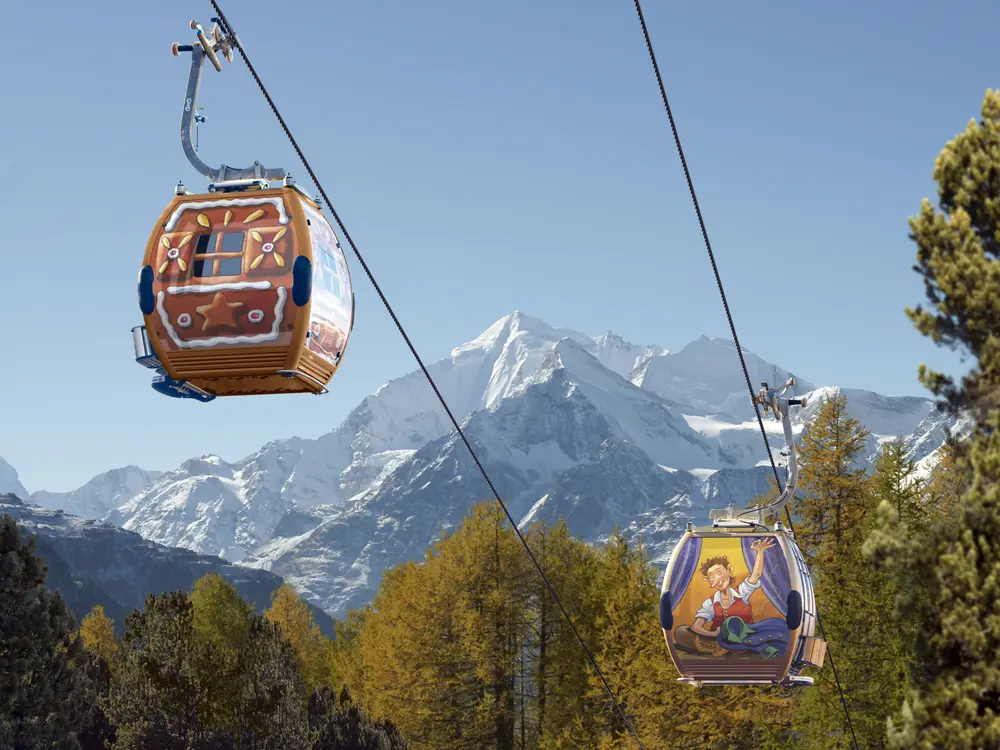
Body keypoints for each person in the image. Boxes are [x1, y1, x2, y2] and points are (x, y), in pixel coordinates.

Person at [673, 538, 775, 655]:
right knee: (681, 632)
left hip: (744, 637)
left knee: (770, 625)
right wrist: (713, 634)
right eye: (711, 576)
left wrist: (760, 551)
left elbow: (756, 575)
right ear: (708, 580)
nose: (717, 579)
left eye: (720, 573)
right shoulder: (710, 603)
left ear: (729, 571)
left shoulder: (742, 592)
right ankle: (717, 646)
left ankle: (730, 647)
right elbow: (696, 626)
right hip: (718, 639)